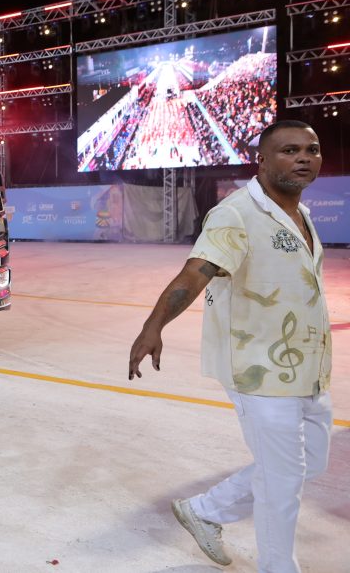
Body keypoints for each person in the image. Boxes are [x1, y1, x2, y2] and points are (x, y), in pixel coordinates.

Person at [129, 120, 331, 572]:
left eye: (312, 149)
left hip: (308, 367)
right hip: (258, 368)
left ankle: (205, 510)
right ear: (262, 160)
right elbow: (196, 271)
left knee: (310, 463)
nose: (303, 157)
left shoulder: (300, 213)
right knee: (282, 483)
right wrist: (153, 325)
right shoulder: (236, 214)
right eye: (289, 150)